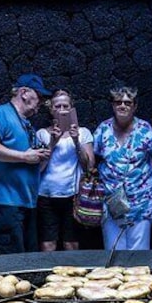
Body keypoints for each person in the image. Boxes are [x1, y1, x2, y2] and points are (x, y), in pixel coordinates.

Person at [0, 74, 52, 254]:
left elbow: (34, 163)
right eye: (39, 96)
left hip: (27, 202)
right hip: (7, 201)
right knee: (12, 260)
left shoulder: (28, 124)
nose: (41, 102)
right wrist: (24, 157)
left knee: (27, 258)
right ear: (24, 92)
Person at [93, 85, 152, 250]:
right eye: (118, 102)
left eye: (127, 102)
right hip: (112, 201)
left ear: (135, 106)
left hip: (141, 200)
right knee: (113, 250)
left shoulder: (144, 129)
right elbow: (93, 157)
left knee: (138, 253)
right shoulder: (103, 129)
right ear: (113, 105)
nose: (122, 106)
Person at [36, 89, 95, 251]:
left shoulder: (83, 133)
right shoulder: (42, 134)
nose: (62, 110)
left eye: (65, 106)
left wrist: (76, 141)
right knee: (48, 243)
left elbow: (88, 166)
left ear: (71, 109)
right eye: (57, 106)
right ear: (51, 109)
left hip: (73, 196)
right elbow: (38, 168)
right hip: (46, 194)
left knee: (71, 243)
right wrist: (52, 143)